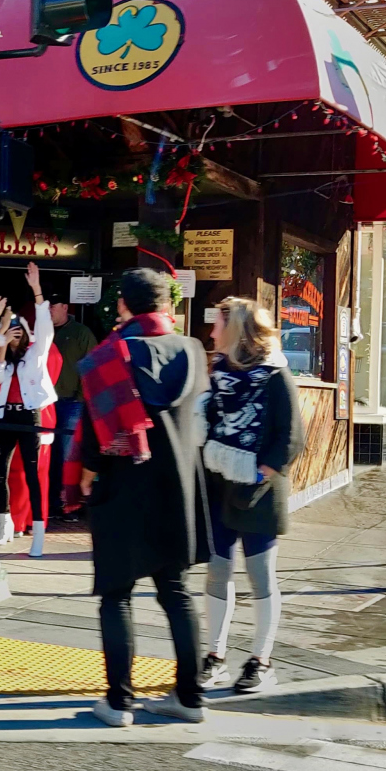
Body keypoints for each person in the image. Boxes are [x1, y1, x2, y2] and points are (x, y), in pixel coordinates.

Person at [69, 267, 209, 727]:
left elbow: (96, 428)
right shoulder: (193, 350)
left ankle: (119, 703)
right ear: (166, 304)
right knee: (177, 593)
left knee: (116, 596)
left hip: (124, 488)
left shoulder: (109, 355)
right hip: (177, 489)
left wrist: (85, 476)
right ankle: (190, 698)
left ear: (123, 306)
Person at [199, 297, 301, 695]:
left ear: (236, 329)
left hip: (259, 491)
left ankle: (262, 661)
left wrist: (259, 473)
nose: (211, 332)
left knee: (260, 577)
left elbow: (291, 437)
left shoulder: (275, 374)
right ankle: (215, 657)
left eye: (217, 324)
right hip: (220, 486)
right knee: (217, 571)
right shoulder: (218, 370)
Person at [0, 262, 60, 555]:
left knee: (31, 472)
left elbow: (45, 328)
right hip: (6, 416)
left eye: (19, 331)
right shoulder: (5, 360)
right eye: (12, 331)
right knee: (0, 472)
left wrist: (37, 289)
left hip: (29, 416)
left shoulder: (36, 355)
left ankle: (38, 533)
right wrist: (2, 341)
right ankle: (5, 524)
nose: (16, 334)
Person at [48, 296, 97, 520]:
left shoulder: (81, 333)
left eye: (53, 306)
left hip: (71, 403)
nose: (49, 310)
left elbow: (91, 367)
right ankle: (51, 503)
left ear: (65, 307)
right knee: (48, 456)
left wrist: (80, 398)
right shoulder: (43, 330)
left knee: (69, 456)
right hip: (47, 404)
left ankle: (70, 506)